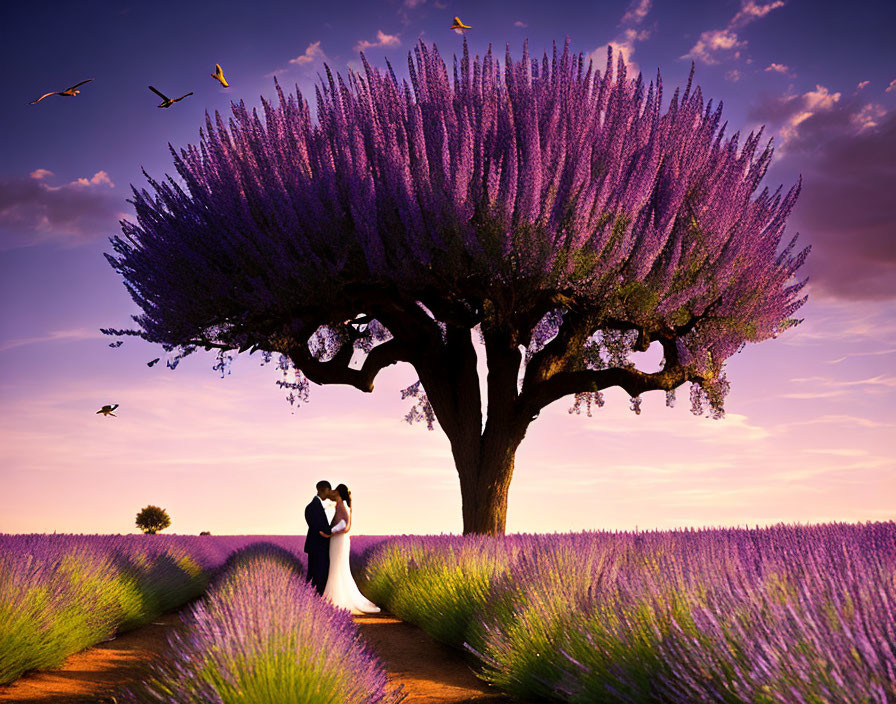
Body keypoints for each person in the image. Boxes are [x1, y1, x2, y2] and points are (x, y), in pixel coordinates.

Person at [320, 483, 381, 614]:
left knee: (336, 567)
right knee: (337, 567)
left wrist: (331, 532)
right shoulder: (340, 505)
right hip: (338, 540)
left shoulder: (342, 506)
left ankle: (335, 599)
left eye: (335, 492)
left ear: (339, 494)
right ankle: (334, 597)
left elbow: (346, 526)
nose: (332, 493)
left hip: (338, 540)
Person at [303, 480, 332, 595]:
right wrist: (330, 533)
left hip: (315, 546)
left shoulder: (313, 506)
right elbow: (319, 528)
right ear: (322, 490)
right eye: (328, 491)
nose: (329, 494)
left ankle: (312, 596)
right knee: (318, 574)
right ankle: (314, 598)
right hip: (318, 547)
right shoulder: (314, 506)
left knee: (314, 574)